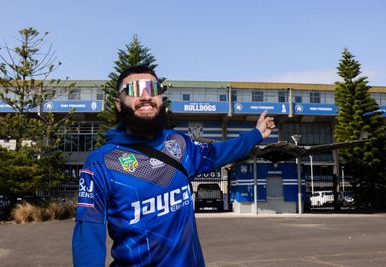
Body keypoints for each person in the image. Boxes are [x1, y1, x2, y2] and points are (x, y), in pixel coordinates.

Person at [72, 65, 275, 267]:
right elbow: (88, 236)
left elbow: (218, 153)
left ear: (161, 99)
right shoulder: (101, 162)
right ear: (118, 103)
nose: (145, 96)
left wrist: (256, 134)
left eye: (153, 89)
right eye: (133, 89)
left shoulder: (179, 144)